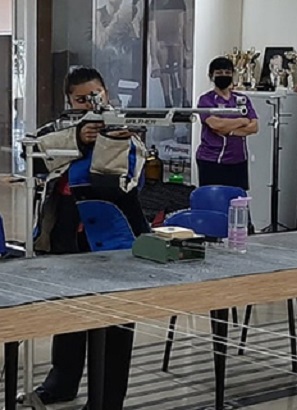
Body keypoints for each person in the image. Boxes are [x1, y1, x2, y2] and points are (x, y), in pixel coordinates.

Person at [30, 67, 149, 409]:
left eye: (95, 96)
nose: (90, 104)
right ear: (69, 101)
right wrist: (77, 138)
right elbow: (33, 157)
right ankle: (61, 383)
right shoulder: (60, 128)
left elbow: (123, 183)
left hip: (115, 235)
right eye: (81, 100)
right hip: (67, 232)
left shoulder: (124, 130)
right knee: (67, 313)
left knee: (116, 322)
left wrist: (110, 141)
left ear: (107, 93)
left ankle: (107, 401)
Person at [195, 56, 259, 190]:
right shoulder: (206, 100)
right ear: (211, 75)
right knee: (213, 198)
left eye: (227, 72)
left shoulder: (242, 99)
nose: (224, 75)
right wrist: (242, 120)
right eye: (219, 73)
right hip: (212, 160)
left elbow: (254, 127)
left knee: (238, 199)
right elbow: (216, 125)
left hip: (238, 160)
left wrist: (229, 131)